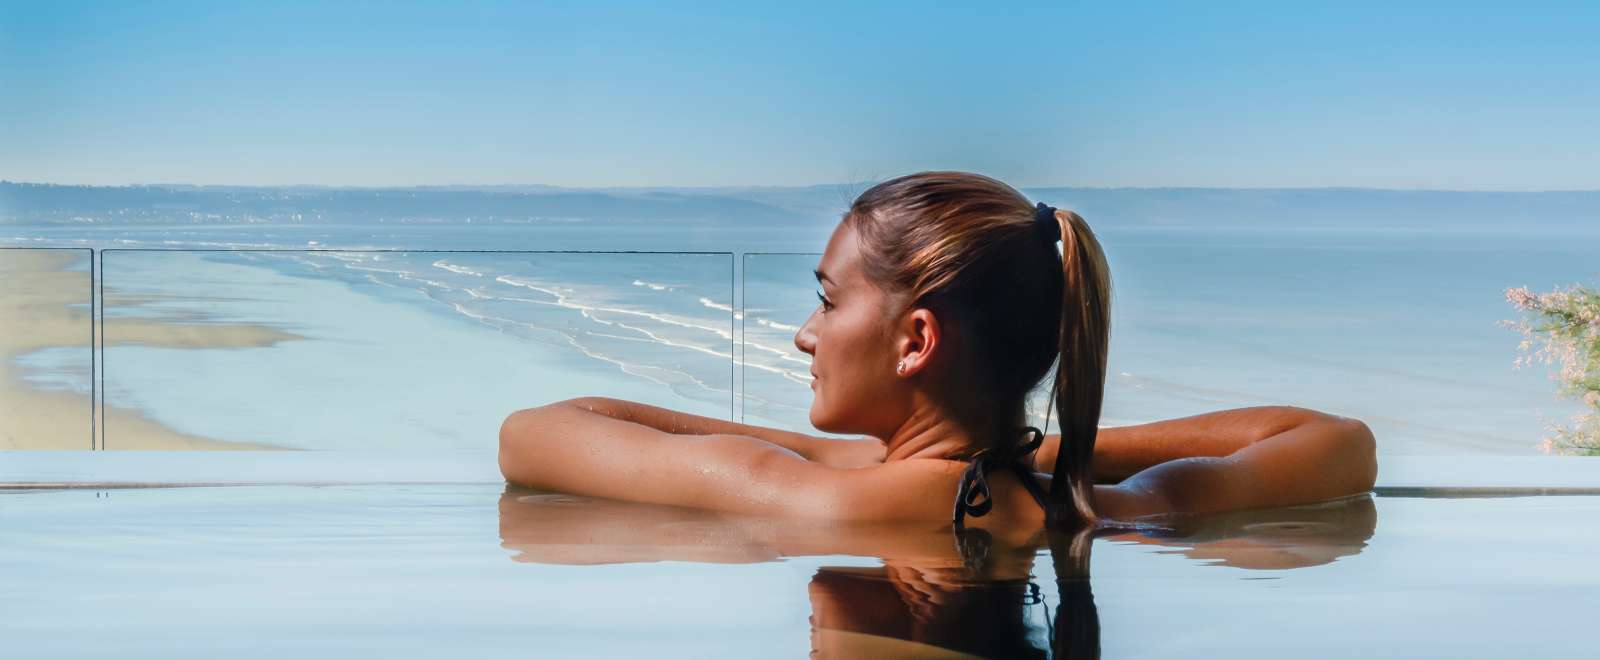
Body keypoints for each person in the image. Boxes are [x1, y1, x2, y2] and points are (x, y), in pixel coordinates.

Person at [498, 171, 1378, 532]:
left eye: (827, 300)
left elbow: (532, 435)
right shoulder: (1107, 507)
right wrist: (1049, 455)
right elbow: (1339, 442)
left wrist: (1028, 455)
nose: (806, 333)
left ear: (916, 340)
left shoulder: (822, 501)